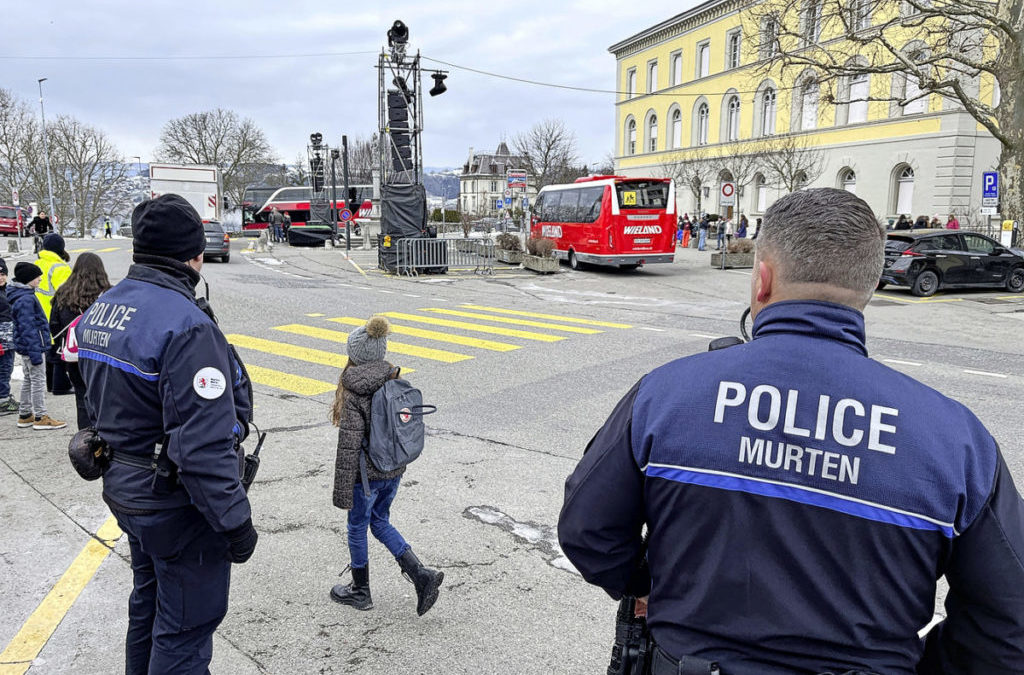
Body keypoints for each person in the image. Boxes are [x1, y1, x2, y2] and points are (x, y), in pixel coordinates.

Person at [558, 188, 1024, 675]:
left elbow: (587, 532)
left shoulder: (665, 396)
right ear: (869, 285)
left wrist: (649, 583)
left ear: (762, 280)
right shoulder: (957, 442)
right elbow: (1010, 619)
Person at [78, 194, 257, 673]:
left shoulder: (104, 307)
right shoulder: (186, 325)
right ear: (194, 256)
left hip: (127, 490)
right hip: (175, 504)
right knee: (185, 630)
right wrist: (235, 521)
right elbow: (202, 444)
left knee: (149, 605)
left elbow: (93, 404)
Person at [329, 315, 444, 616]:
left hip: (365, 476)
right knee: (379, 522)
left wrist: (341, 493)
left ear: (354, 356)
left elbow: (349, 445)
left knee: (357, 526)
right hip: (393, 469)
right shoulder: (392, 379)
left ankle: (360, 591)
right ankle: (420, 575)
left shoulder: (354, 390)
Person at [50, 252, 111, 430]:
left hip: (74, 354)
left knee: (81, 396)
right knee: (104, 397)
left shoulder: (63, 293)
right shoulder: (109, 293)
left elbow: (54, 324)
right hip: (100, 352)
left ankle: (85, 437)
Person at [7, 263, 65, 430]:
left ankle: (25, 414)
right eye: (37, 277)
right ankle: (41, 416)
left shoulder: (21, 295)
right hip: (33, 347)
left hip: (27, 347)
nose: (40, 279)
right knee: (38, 381)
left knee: (28, 380)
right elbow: (28, 328)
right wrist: (35, 353)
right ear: (28, 279)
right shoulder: (26, 299)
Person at [34, 233, 73, 395]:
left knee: (49, 349)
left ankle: (50, 383)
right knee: (59, 349)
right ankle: (60, 385)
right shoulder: (60, 267)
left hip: (38, 312)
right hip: (54, 313)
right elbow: (67, 294)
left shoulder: (38, 263)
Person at [0, 257, 18, 415]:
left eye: (3, 273)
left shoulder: (8, 290)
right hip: (1, 340)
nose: (0, 277)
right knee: (3, 369)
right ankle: (3, 399)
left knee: (7, 367)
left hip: (10, 338)